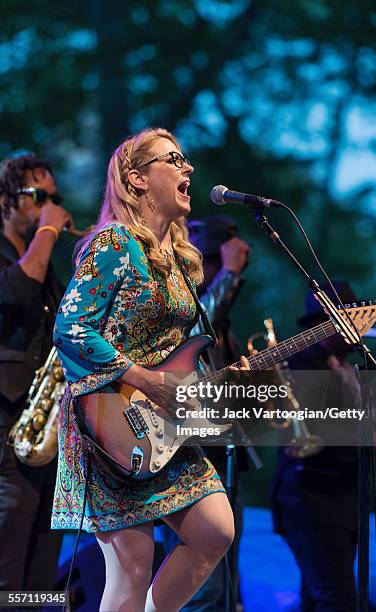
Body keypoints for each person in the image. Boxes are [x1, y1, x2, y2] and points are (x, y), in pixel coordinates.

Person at [52, 128, 251, 612]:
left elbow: (177, 351)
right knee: (131, 572)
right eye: (175, 159)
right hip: (109, 422)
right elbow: (71, 328)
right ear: (138, 179)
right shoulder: (114, 244)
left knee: (215, 530)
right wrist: (142, 379)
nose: (189, 168)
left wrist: (213, 377)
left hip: (165, 427)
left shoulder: (180, 262)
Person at [160, 215, 251, 611]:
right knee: (202, 585)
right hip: (182, 450)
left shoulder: (224, 321)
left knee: (226, 573)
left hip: (221, 449)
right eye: (216, 263)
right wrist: (229, 274)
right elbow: (199, 324)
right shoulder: (181, 304)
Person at [0, 153, 71, 590]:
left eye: (55, 198)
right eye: (38, 196)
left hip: (45, 432)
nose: (50, 206)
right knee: (6, 567)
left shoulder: (48, 269)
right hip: (6, 432)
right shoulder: (28, 262)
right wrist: (48, 227)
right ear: (4, 200)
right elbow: (18, 293)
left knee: (42, 576)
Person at [271, 282, 361, 612]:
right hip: (311, 501)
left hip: (343, 502)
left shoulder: (347, 366)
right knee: (337, 600)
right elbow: (316, 426)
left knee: (317, 598)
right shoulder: (301, 364)